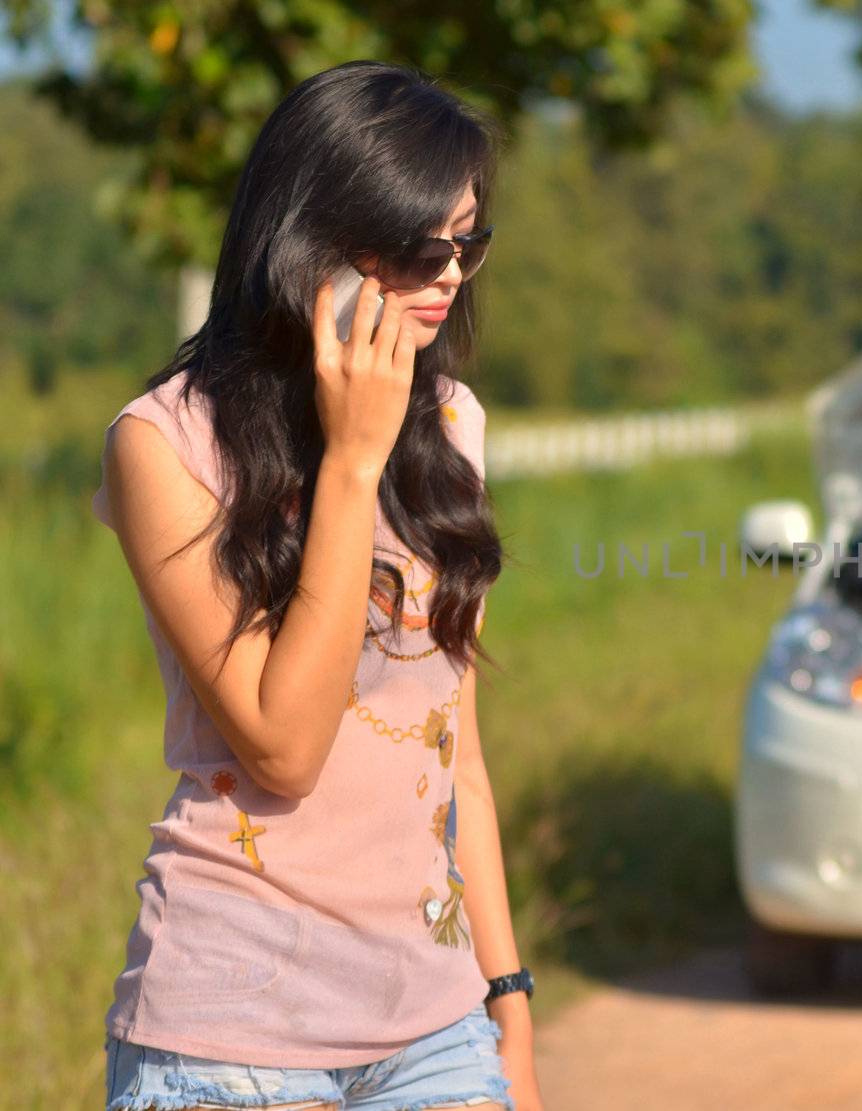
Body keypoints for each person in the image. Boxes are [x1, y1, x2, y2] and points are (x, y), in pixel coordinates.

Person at [90, 60, 544, 1111]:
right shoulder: (165, 445)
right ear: (308, 241)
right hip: (228, 1031)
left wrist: (505, 991)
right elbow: (282, 745)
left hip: (435, 1024)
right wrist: (350, 461)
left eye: (467, 240)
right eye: (415, 246)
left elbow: (455, 753)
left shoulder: (452, 428)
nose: (448, 276)